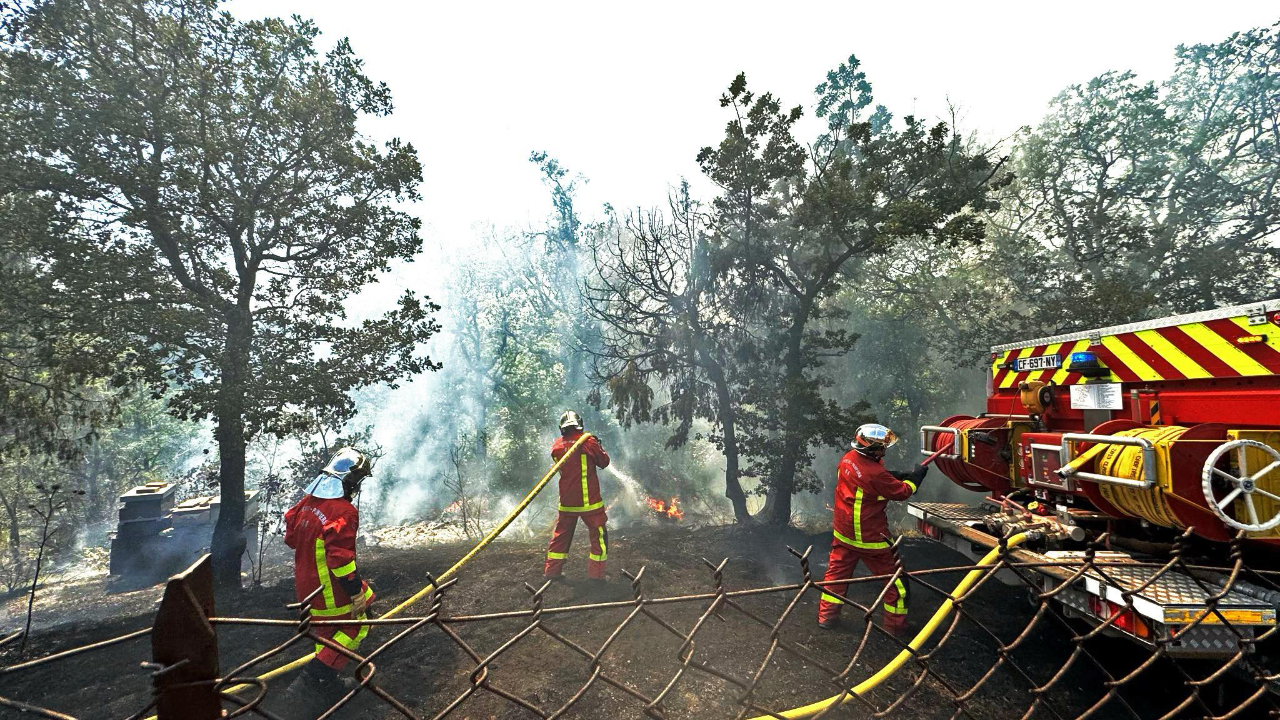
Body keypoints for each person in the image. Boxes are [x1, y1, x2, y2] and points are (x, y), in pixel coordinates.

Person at [281, 447, 376, 711]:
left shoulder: (308, 502)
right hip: (330, 589)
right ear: (349, 481)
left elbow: (291, 538)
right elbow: (341, 560)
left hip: (306, 588)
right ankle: (312, 679)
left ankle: (327, 683)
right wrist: (355, 592)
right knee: (359, 624)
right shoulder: (344, 511)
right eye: (357, 481)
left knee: (325, 633)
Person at [817, 423, 926, 636]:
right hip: (871, 539)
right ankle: (895, 627)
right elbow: (902, 492)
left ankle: (826, 618)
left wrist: (893, 474)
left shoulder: (848, 458)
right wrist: (915, 479)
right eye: (881, 448)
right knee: (897, 584)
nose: (884, 450)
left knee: (836, 577)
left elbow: (870, 478)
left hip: (844, 533)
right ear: (870, 450)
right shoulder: (876, 475)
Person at [544, 410, 611, 581]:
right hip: (589, 502)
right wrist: (598, 445)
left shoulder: (557, 446)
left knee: (561, 536)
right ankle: (596, 576)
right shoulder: (588, 442)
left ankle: (552, 572)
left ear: (562, 428)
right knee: (599, 536)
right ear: (579, 424)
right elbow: (604, 462)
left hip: (567, 502)